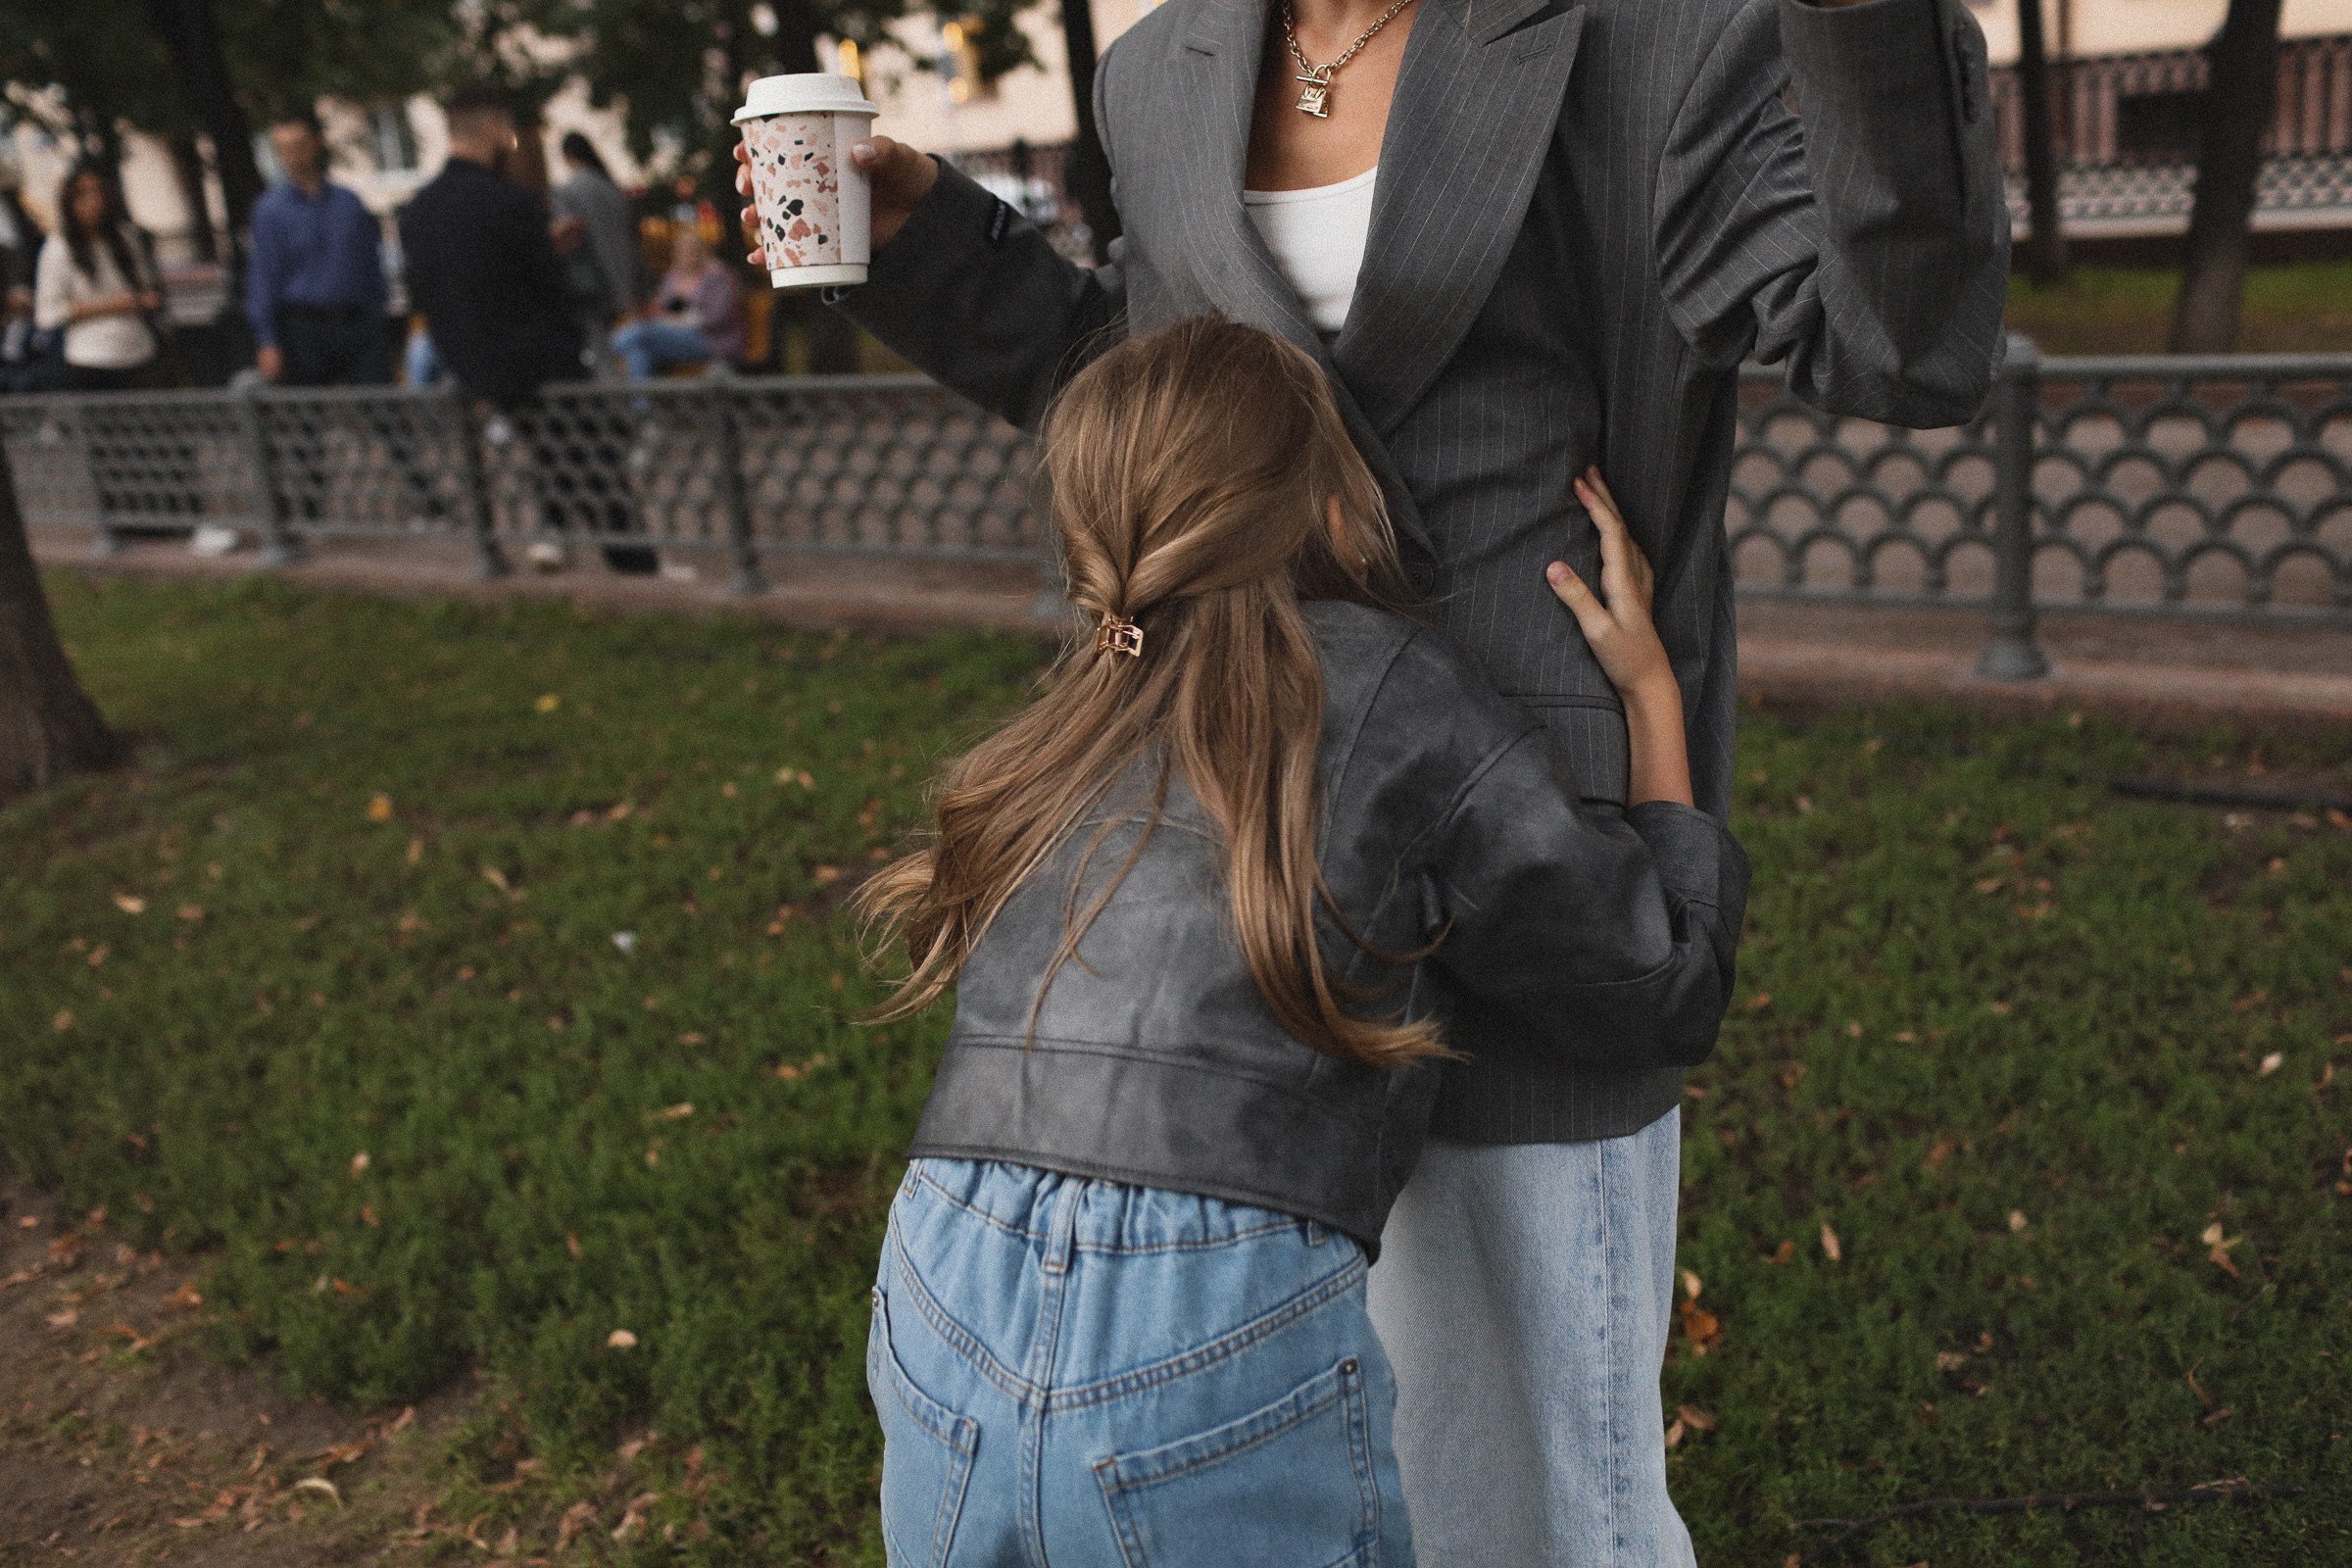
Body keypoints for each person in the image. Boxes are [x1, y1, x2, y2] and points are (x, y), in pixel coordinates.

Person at [749, 0, 2007, 1555]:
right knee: (1295, 1463)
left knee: (1539, 1498)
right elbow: (1178, 406)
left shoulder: (1665, 37)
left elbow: (1903, 349)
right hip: (1246, 909)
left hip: (1543, 858)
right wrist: (930, 237)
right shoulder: (1160, 69)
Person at [855, 316, 1746, 1565]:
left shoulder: (1067, 722)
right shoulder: (1393, 683)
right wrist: (1655, 692)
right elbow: (1657, 984)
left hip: (941, 1269)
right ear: (1331, 501)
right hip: (1203, 1303)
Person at [399, 84, 656, 574]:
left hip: (473, 366)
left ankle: (538, 544)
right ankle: (636, 568)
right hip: (540, 364)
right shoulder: (509, 203)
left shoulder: (421, 210)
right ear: (493, 127)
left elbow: (434, 293)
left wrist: (467, 365)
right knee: (597, 467)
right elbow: (546, 291)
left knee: (553, 458)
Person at [246, 109, 392, 387]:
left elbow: (370, 263)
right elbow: (263, 278)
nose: (291, 157)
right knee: (309, 413)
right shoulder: (270, 211)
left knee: (379, 407)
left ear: (316, 144)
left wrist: (378, 314)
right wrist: (267, 341)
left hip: (358, 322)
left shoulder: (348, 204)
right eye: (282, 149)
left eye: (298, 146)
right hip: (305, 328)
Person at [33, 162, 165, 394]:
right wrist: (115, 305)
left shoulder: (125, 237)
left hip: (139, 351)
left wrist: (144, 301)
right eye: (83, 195)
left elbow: (146, 288)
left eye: (98, 192)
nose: (94, 202)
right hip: (90, 359)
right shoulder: (59, 248)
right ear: (70, 202)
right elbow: (49, 313)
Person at [611, 225, 745, 379]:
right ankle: (641, 404)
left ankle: (612, 346)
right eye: (684, 248)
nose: (689, 252)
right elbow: (661, 308)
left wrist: (684, 320)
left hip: (710, 339)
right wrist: (666, 317)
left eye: (693, 247)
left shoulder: (717, 276)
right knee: (639, 353)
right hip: (671, 334)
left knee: (644, 332)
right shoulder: (672, 278)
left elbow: (719, 317)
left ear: (703, 249)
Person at [550, 131, 646, 343]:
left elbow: (568, 237)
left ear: (568, 156)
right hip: (627, 278)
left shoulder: (566, 192)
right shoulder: (612, 189)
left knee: (603, 349)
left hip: (594, 284)